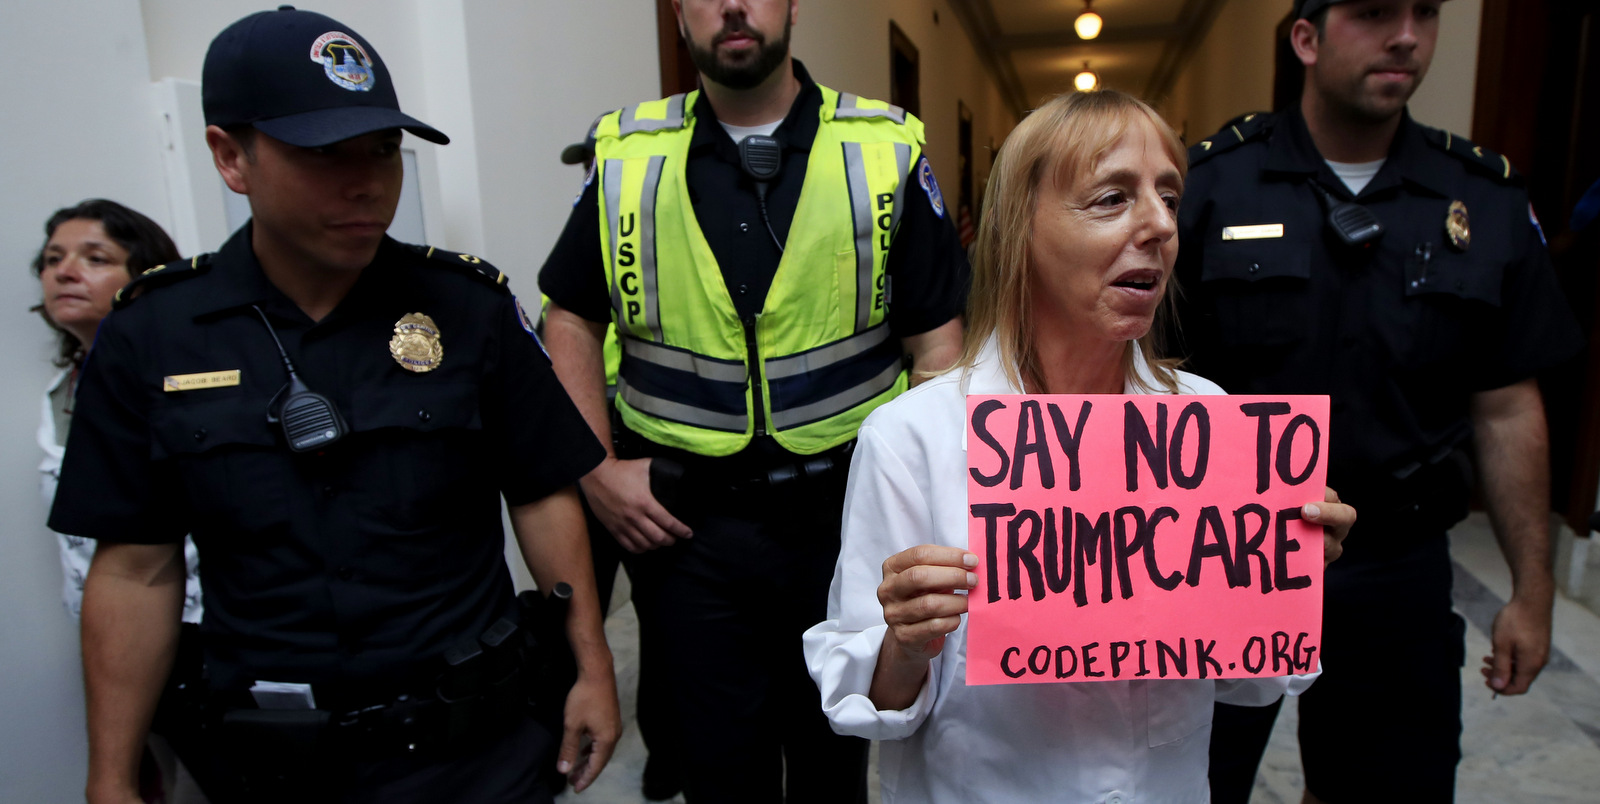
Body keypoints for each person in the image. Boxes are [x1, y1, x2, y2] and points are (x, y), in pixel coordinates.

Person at [51, 8, 620, 804]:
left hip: (477, 755)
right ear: (229, 156)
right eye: (323, 153)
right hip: (273, 761)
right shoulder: (153, 335)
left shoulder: (467, 306)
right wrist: (111, 771)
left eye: (382, 149)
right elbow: (137, 570)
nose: (366, 181)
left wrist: (592, 666)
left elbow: (538, 489)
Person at [801, 89, 1355, 804]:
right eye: (1111, 198)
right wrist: (907, 640)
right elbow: (865, 708)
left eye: (1168, 196)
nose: (1159, 225)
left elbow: (1252, 683)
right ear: (1019, 230)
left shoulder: (1212, 424)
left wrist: (1282, 576)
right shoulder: (911, 439)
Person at [539, 0, 968, 799]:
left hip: (843, 523)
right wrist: (596, 469)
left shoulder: (883, 147)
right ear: (677, 14)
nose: (733, 5)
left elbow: (937, 345)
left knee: (834, 759)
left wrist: (924, 507)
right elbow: (568, 315)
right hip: (687, 535)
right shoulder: (629, 153)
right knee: (717, 769)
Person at [1171, 1, 1584, 802]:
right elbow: (1142, 387)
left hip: (1398, 563)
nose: (1406, 36)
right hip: (1222, 560)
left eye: (1423, 15)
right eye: (1372, 14)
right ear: (1306, 39)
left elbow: (1506, 408)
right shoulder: (1210, 186)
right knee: (1190, 782)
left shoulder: (1481, 199)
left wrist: (1532, 594)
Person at [33, 199, 210, 802]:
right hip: (117, 640)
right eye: (53, 259)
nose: (64, 271)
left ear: (145, 276)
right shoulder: (60, 393)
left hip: (198, 636)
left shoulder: (183, 383)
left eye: (94, 257)